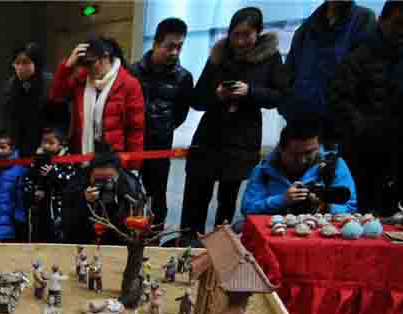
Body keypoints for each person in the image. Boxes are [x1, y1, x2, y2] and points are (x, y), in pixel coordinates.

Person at [181, 7, 286, 240]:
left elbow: (279, 97)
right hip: (209, 136)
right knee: (195, 200)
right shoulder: (218, 55)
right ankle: (186, 244)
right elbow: (197, 100)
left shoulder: (270, 58)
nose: (240, 41)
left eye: (246, 34)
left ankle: (221, 251)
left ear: (258, 33)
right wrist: (216, 94)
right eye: (235, 34)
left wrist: (250, 93)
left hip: (242, 139)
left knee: (227, 204)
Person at [329, 1, 403, 216]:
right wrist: (364, 128)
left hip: (397, 155)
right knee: (360, 216)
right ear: (381, 21)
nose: (401, 30)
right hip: (362, 154)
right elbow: (338, 99)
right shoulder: (358, 55)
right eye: (398, 23)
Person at [281, 1, 376, 144]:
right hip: (303, 129)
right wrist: (290, 109)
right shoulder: (306, 28)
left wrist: (353, 121)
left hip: (342, 133)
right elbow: (287, 77)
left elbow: (368, 77)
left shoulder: (363, 20)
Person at [130, 18, 194, 227]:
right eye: (170, 46)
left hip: (159, 147)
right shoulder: (132, 72)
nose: (175, 52)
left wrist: (162, 128)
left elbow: (180, 114)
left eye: (179, 47)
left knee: (157, 197)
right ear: (156, 43)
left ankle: (154, 238)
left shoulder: (184, 78)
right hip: (131, 145)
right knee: (128, 192)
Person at [49, 37, 145, 169]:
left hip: (114, 161)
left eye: (91, 63)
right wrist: (67, 66)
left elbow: (135, 130)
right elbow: (57, 96)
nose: (88, 69)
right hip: (83, 157)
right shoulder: (82, 79)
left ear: (105, 57)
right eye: (85, 64)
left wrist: (133, 167)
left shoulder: (129, 84)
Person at [241, 118, 358, 217]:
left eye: (309, 153)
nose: (302, 160)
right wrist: (282, 200)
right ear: (280, 149)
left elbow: (350, 206)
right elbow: (248, 209)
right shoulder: (264, 170)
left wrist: (325, 205)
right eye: (295, 154)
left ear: (319, 146)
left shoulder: (335, 166)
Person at [1, 42, 65, 159]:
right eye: (17, 63)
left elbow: (61, 117)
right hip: (19, 148)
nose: (20, 67)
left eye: (25, 62)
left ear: (36, 63)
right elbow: (7, 118)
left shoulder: (50, 83)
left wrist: (54, 139)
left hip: (46, 146)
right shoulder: (10, 86)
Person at [71, 147, 145, 245]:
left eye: (108, 179)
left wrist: (118, 199)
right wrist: (84, 201)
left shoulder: (131, 186)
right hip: (85, 240)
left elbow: (134, 228)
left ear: (119, 173)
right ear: (90, 173)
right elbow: (69, 224)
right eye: (98, 179)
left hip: (120, 241)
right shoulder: (77, 183)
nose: (103, 184)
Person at [22, 128, 81, 243]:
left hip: (61, 209)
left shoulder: (68, 160)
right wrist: (34, 192)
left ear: (61, 144)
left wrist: (53, 174)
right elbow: (29, 178)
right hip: (42, 210)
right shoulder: (37, 160)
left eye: (51, 143)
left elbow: (71, 183)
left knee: (60, 239)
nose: (46, 146)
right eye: (44, 142)